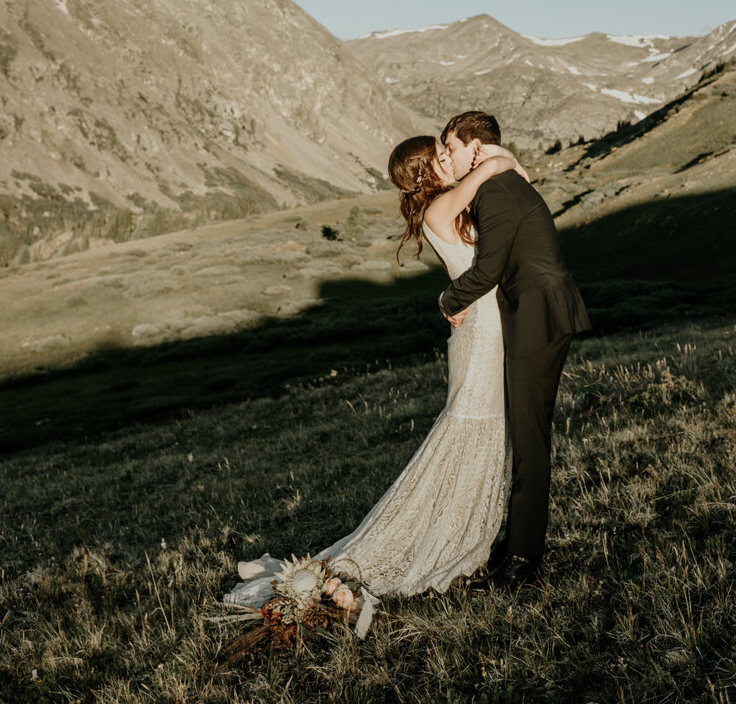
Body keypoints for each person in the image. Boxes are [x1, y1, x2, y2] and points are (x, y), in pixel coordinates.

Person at [223, 132, 524, 610]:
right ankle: (441, 535)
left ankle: (466, 526)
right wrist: (486, 153)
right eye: (441, 155)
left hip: (487, 324)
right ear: (428, 171)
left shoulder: (451, 204)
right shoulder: (438, 210)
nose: (451, 159)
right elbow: (497, 168)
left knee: (484, 428)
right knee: (469, 429)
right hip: (480, 330)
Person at [438, 111, 591, 592]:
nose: (448, 157)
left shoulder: (496, 191)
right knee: (528, 440)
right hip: (537, 313)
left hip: (537, 317)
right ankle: (515, 549)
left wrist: (448, 301)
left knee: (530, 444)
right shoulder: (498, 183)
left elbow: (488, 270)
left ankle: (522, 564)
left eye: (452, 148)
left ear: (475, 148)